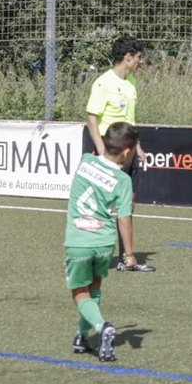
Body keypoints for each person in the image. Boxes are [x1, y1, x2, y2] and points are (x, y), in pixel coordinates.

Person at [65, 122, 140, 361]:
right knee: (94, 288)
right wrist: (129, 255)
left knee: (79, 291)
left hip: (79, 240)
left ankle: (101, 327)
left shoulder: (85, 161)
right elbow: (124, 218)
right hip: (104, 242)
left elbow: (96, 140)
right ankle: (82, 337)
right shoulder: (123, 180)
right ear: (127, 152)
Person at [85, 35, 155, 272]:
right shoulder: (103, 83)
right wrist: (101, 149)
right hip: (111, 151)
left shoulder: (131, 83)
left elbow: (130, 121)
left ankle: (128, 259)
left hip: (129, 151)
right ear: (128, 57)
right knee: (102, 206)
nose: (140, 61)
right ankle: (94, 254)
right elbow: (92, 118)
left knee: (129, 204)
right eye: (138, 57)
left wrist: (138, 147)